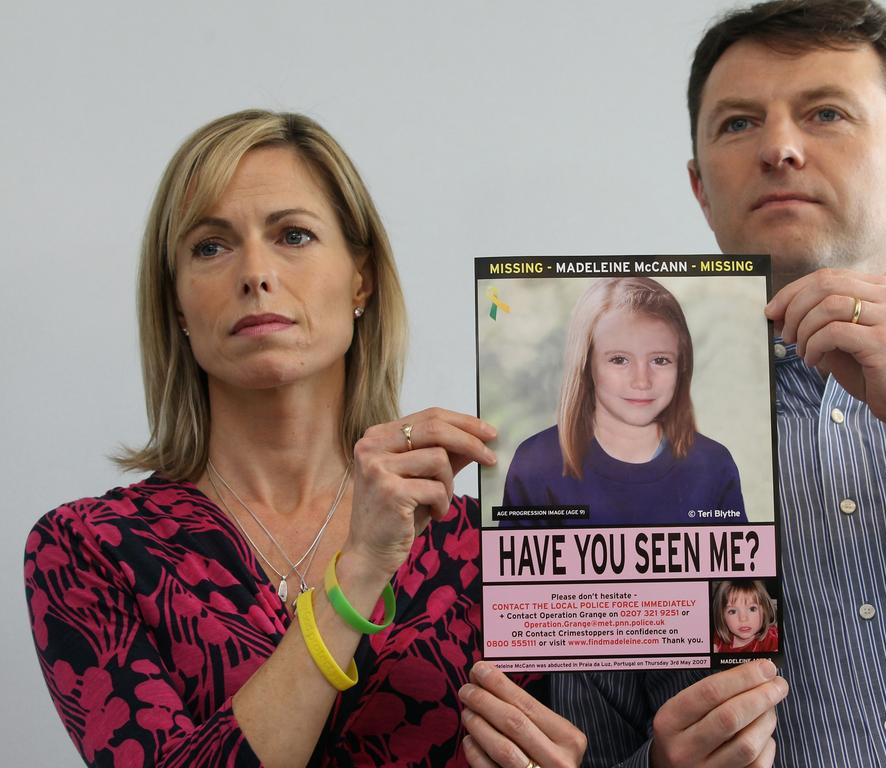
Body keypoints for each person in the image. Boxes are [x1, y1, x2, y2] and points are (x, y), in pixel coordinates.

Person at [550, 1, 886, 766]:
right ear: (702, 189)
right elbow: (588, 749)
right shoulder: (612, 455)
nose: (778, 148)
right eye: (738, 124)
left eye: (826, 113)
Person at [22, 109, 543, 767]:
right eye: (211, 246)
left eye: (293, 235)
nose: (256, 273)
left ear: (362, 277)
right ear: (176, 303)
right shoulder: (88, 548)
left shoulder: (491, 547)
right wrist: (357, 571)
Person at [502, 276, 746, 525]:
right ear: (586, 365)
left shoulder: (714, 464)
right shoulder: (535, 462)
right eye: (619, 359)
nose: (642, 381)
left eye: (660, 360)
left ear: (681, 366)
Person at [710, 580, 779, 654]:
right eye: (732, 611)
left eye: (752, 609)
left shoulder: (772, 640)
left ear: (765, 610)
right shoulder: (716, 640)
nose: (743, 619)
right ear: (721, 616)